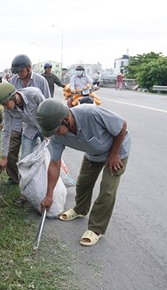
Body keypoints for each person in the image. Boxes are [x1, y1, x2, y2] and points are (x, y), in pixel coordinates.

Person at [36, 99, 131, 247]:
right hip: (93, 153)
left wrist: (114, 154)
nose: (55, 135)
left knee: (107, 191)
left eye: (56, 130)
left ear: (66, 119)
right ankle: (80, 209)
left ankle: (96, 228)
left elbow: (122, 126)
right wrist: (49, 195)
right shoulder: (56, 135)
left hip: (117, 152)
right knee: (82, 184)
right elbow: (54, 164)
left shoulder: (90, 113)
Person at [0, 82, 46, 204]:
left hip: (44, 127)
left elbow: (47, 111)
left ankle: (50, 187)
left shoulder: (34, 95)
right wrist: (4, 157)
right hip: (30, 128)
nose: (5, 107)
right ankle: (24, 194)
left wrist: (48, 134)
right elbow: (6, 131)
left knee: (50, 156)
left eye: (5, 104)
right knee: (24, 161)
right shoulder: (9, 110)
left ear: (13, 96)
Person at [2, 54, 50, 189]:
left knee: (48, 152)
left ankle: (48, 180)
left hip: (40, 123)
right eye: (16, 72)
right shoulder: (13, 81)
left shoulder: (40, 82)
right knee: (19, 154)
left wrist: (48, 129)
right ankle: (20, 182)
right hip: (21, 121)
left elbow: (47, 103)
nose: (19, 75)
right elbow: (8, 102)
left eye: (21, 71)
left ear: (29, 68)